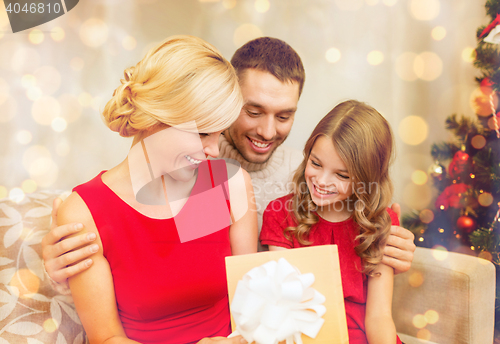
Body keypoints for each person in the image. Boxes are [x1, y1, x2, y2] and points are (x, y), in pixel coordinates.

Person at [42, 37, 415, 290]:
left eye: (284, 116)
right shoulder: (187, 165)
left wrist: (393, 243)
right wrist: (59, 253)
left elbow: (358, 227)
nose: (267, 131)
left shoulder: (310, 178)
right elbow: (157, 251)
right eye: (253, 111)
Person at [56, 35, 264, 344]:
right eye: (202, 133)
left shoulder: (225, 185)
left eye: (220, 133)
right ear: (155, 119)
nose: (214, 150)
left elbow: (248, 305)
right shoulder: (85, 211)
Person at [260, 100, 408, 344]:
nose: (322, 182)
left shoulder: (381, 222)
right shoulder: (281, 214)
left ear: (366, 179)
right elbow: (285, 307)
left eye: (341, 175)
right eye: (316, 164)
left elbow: (379, 315)